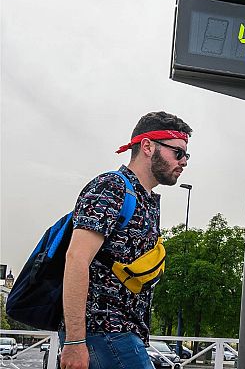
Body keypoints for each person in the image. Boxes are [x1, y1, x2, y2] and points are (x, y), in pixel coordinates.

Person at [60, 111, 193, 369]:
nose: (184, 161)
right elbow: (76, 258)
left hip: (123, 333)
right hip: (104, 332)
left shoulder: (147, 200)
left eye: (187, 155)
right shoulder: (111, 187)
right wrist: (75, 342)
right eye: (178, 152)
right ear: (147, 146)